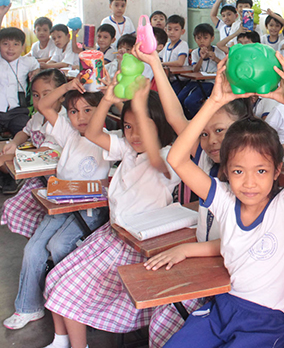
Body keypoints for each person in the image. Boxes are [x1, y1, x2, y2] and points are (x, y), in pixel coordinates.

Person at [163, 53, 284, 348]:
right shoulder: (223, 199)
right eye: (237, 171)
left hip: (267, 319)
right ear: (226, 171)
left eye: (260, 170)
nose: (248, 182)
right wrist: (215, 101)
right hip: (224, 307)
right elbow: (177, 158)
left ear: (277, 171)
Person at [42, 79, 181, 348]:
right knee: (54, 277)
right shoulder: (127, 149)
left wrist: (136, 106)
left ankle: (78, 346)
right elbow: (94, 134)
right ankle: (60, 340)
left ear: (161, 126)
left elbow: (156, 157)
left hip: (137, 244)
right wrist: (106, 99)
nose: (134, 134)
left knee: (67, 291)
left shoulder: (170, 158)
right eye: (128, 127)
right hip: (113, 235)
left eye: (143, 126)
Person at [3, 77, 111, 331]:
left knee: (60, 244)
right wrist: (67, 87)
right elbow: (45, 107)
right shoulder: (68, 133)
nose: (81, 117)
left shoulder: (106, 140)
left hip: (89, 211)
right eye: (74, 111)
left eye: (88, 110)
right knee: (32, 250)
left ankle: (74, 304)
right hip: (61, 205)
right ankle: (29, 307)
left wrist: (108, 97)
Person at [145, 98, 251, 348]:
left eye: (219, 131)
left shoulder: (248, 184)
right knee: (160, 317)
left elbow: (236, 242)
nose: (212, 140)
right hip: (203, 264)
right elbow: (175, 117)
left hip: (229, 279)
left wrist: (185, 250)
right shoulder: (207, 163)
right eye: (204, 133)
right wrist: (153, 64)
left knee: (166, 323)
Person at [0, 69, 66, 227]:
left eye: (47, 94)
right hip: (36, 173)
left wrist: (15, 155)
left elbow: (45, 153)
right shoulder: (37, 117)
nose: (40, 101)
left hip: (51, 178)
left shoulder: (61, 121)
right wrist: (14, 143)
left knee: (13, 209)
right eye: (36, 95)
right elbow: (25, 131)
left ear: (62, 96)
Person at [0, 28, 40, 137]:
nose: (10, 48)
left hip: (17, 112)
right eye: (5, 44)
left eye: (16, 44)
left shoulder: (27, 62)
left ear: (23, 47)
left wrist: (35, 71)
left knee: (26, 131)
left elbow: (36, 66)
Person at [178, 23, 222, 118]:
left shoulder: (218, 51)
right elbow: (195, 70)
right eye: (198, 38)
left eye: (205, 38)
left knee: (190, 101)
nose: (202, 41)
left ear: (212, 38)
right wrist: (201, 58)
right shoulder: (195, 52)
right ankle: (187, 120)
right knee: (179, 99)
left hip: (210, 83)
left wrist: (215, 58)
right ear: (195, 39)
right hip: (195, 82)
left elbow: (225, 66)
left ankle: (200, 121)